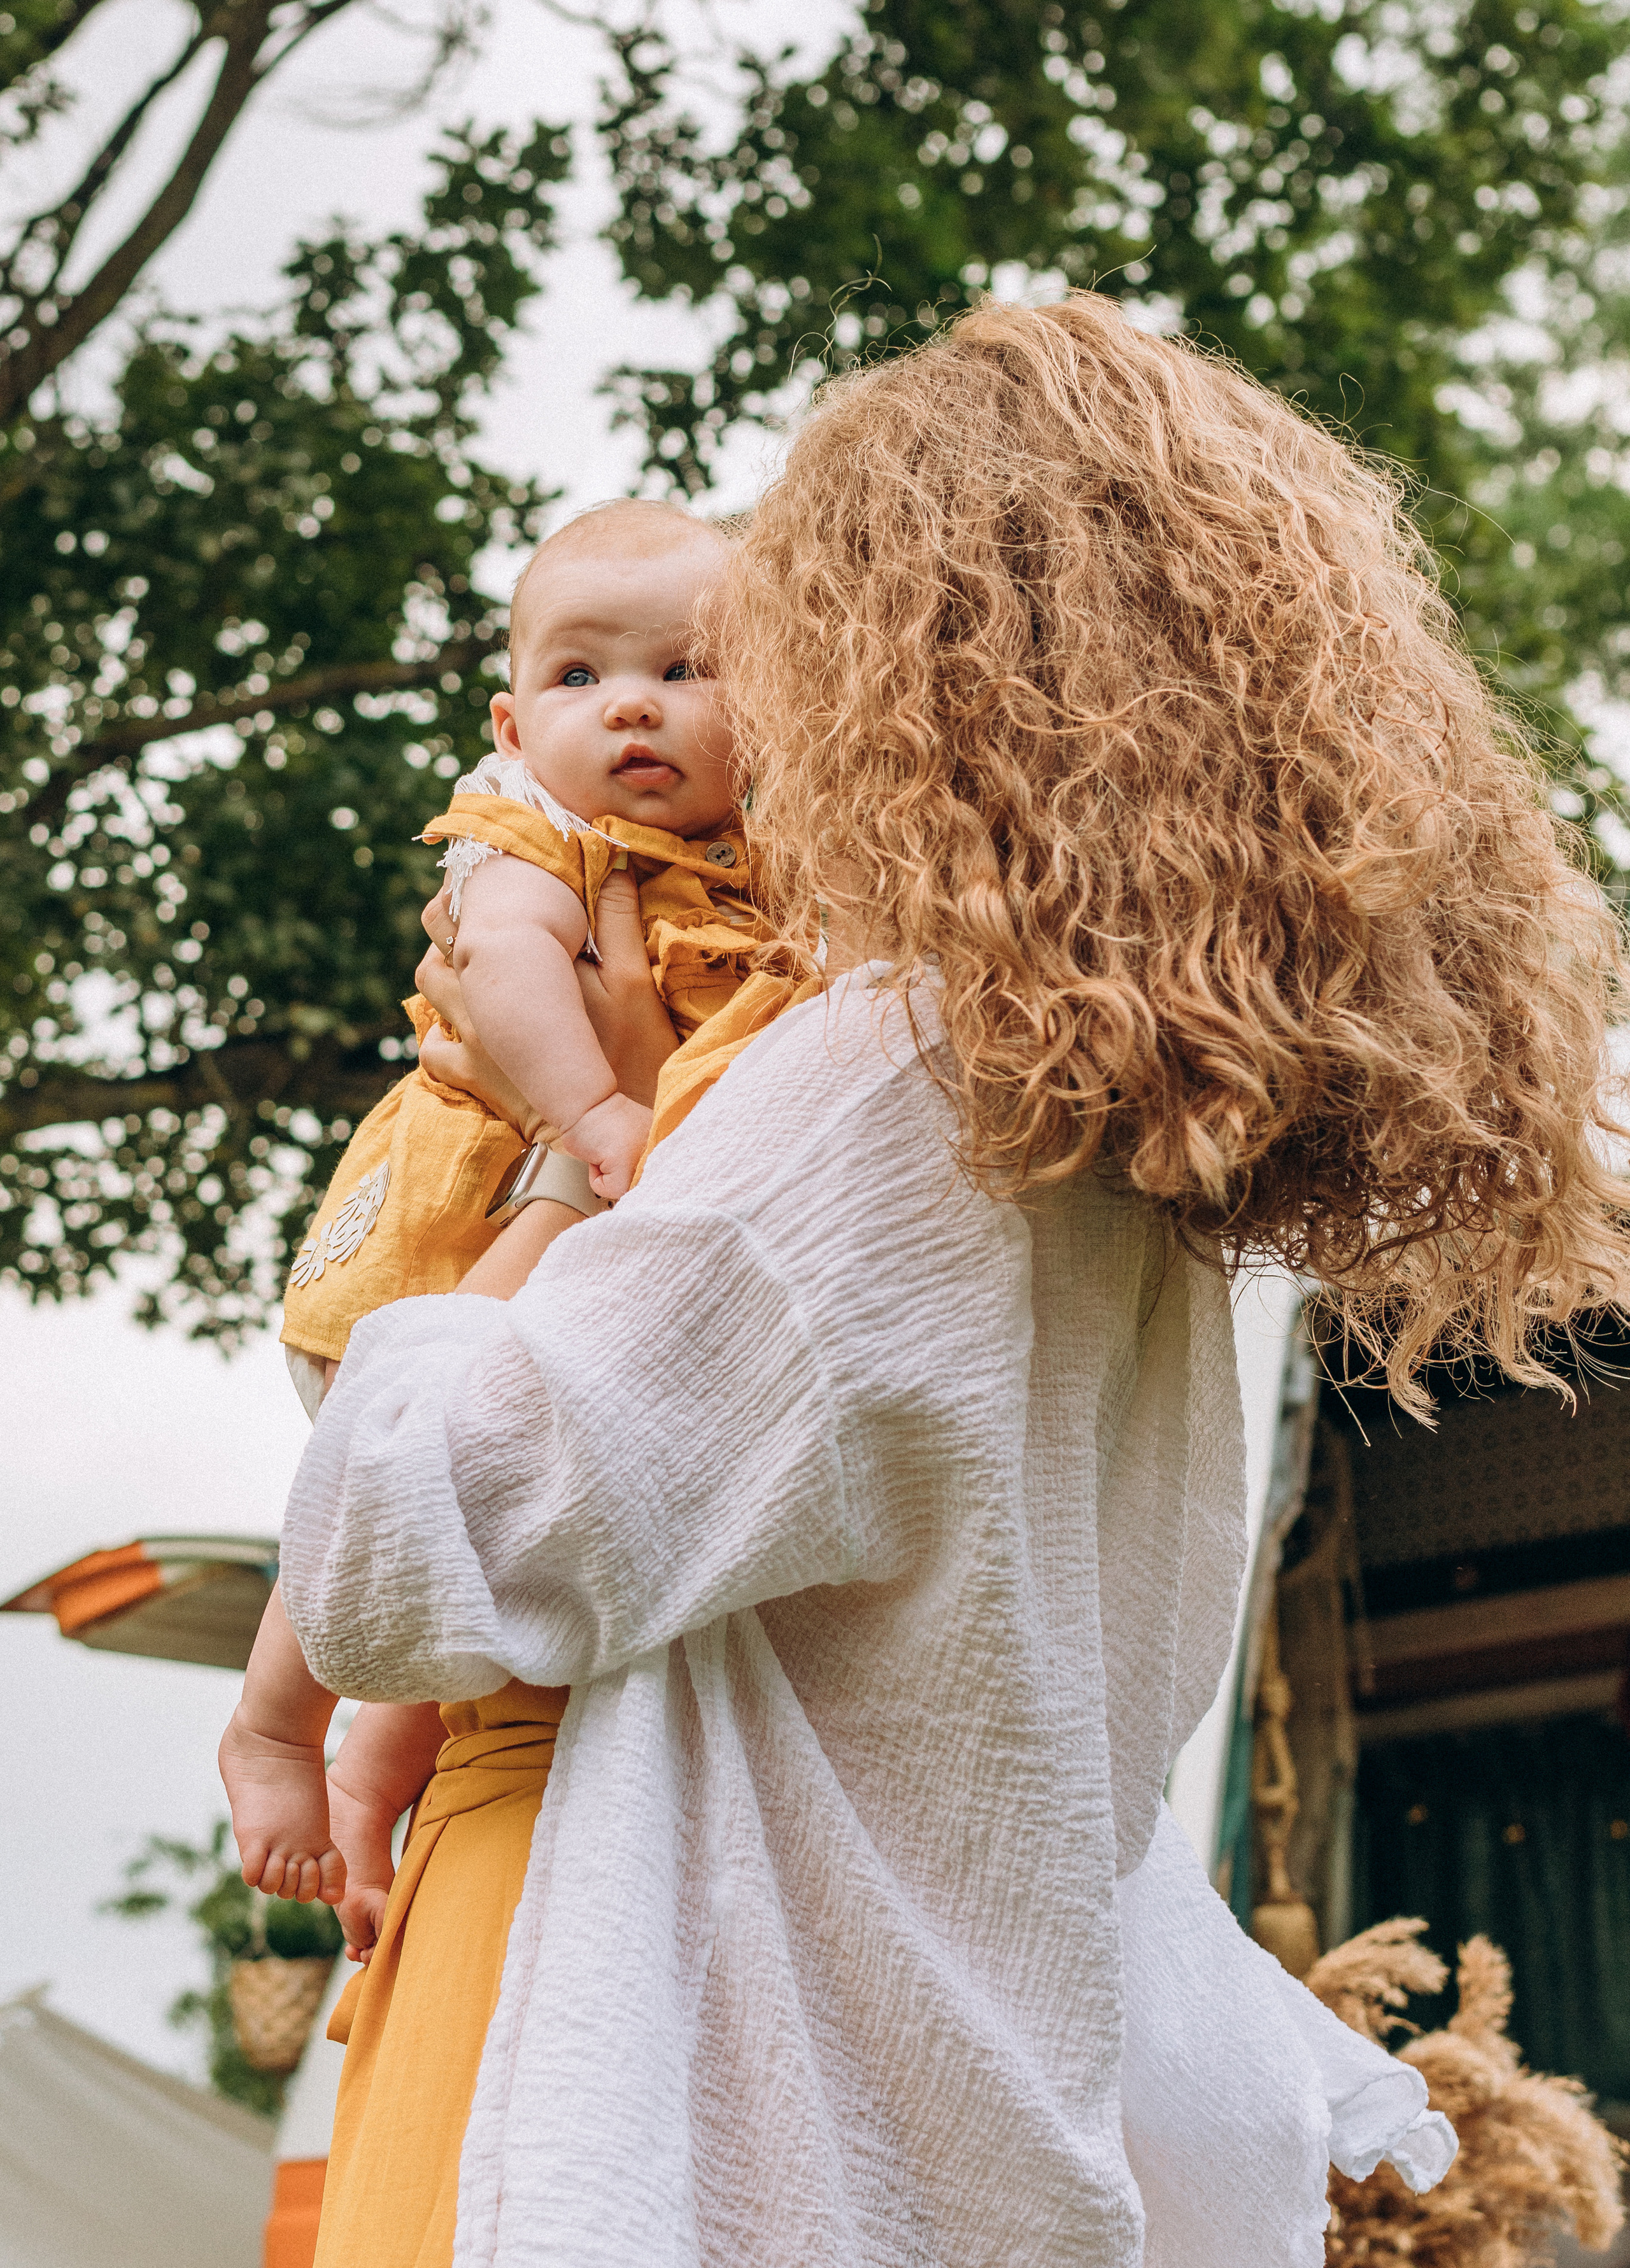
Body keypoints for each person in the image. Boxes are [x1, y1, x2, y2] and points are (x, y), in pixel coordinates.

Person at [278, 293, 1630, 2268]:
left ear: (898, 664)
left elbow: (429, 1541)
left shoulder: (885, 1078)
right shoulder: (1133, 1161)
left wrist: (550, 1176)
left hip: (647, 2004)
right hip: (953, 2082)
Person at [220, 499, 767, 1961]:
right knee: (387, 1473)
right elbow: (508, 970)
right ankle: (273, 1727)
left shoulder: (752, 860)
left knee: (448, 1542)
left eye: (687, 669)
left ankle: (368, 1786)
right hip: (452, 1215)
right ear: (513, 724)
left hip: (563, 1247)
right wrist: (594, 1114)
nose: (632, 705)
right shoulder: (542, 837)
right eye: (580, 677)